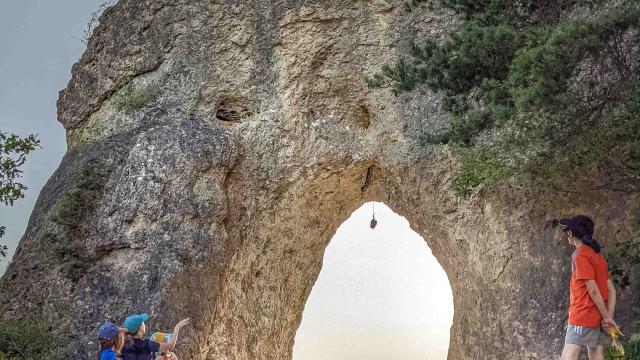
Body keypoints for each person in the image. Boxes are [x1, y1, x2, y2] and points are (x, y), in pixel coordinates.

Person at [557, 215, 621, 360]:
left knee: (569, 355)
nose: (566, 234)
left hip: (582, 314)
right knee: (596, 353)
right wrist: (608, 315)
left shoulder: (580, 255)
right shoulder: (598, 256)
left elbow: (592, 289)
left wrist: (607, 317)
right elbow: (611, 289)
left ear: (571, 233)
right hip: (597, 316)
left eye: (567, 230)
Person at [121, 313, 190, 360]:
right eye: (143, 323)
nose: (144, 324)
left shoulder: (123, 344)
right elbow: (170, 345)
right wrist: (177, 328)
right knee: (171, 356)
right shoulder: (145, 344)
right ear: (140, 327)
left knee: (170, 354)